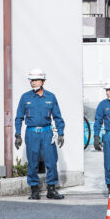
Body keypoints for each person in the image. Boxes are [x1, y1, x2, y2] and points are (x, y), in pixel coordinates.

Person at [13, 68, 65, 200]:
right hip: (31, 133)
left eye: (36, 80)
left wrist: (60, 133)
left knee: (51, 161)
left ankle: (51, 189)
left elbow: (57, 117)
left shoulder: (51, 97)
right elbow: (19, 117)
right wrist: (17, 134)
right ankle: (34, 190)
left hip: (47, 132)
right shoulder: (25, 97)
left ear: (43, 81)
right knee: (33, 162)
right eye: (31, 80)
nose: (33, 82)